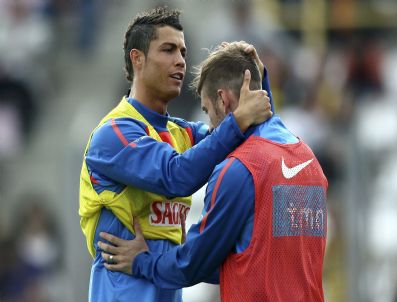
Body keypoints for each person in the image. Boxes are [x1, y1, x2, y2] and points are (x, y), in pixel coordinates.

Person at [98, 43, 328, 302]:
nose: (211, 126)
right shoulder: (308, 162)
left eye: (208, 112)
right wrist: (261, 83)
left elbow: (194, 262)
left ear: (223, 99)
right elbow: (252, 256)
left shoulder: (239, 169)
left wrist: (142, 261)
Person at [79, 7, 272, 302]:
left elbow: (252, 144)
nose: (181, 60)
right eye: (168, 50)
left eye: (183, 51)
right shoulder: (113, 134)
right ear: (137, 58)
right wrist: (237, 121)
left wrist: (256, 83)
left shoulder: (183, 133)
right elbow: (176, 176)